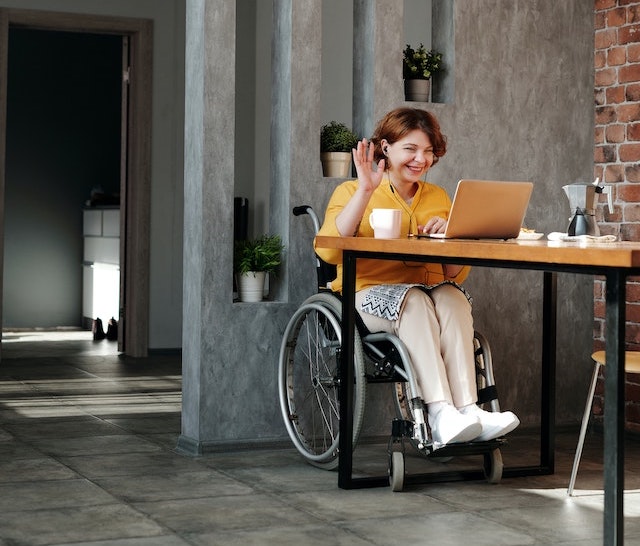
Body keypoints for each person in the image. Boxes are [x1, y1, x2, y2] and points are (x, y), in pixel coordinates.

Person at [314, 107, 519, 445]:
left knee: (452, 297)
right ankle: (439, 412)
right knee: (416, 300)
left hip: (426, 293)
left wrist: (451, 236)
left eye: (428, 151)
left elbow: (454, 274)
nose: (420, 158)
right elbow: (330, 252)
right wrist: (366, 190)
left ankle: (468, 410)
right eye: (410, 148)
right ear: (386, 147)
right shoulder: (352, 191)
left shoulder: (438, 197)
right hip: (366, 295)